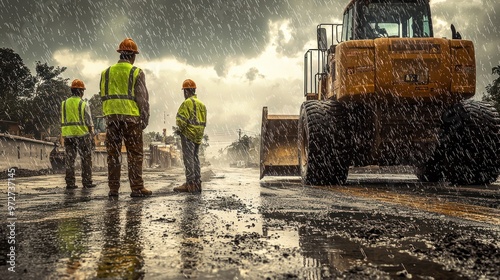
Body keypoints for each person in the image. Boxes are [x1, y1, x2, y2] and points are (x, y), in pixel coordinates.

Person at [100, 38, 151, 197]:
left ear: (120, 54)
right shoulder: (136, 72)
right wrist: (144, 118)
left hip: (112, 119)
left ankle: (113, 189)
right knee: (135, 154)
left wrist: (110, 114)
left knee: (113, 155)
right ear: (133, 56)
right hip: (131, 120)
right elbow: (142, 98)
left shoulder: (106, 73)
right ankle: (136, 188)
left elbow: (103, 96)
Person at [61, 79, 96, 189]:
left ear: (72, 90)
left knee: (69, 160)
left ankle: (70, 183)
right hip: (82, 135)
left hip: (68, 136)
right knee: (86, 159)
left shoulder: (64, 104)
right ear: (81, 92)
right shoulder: (83, 104)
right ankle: (87, 182)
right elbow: (89, 122)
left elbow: (62, 120)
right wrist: (91, 136)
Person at [173, 79, 207, 193]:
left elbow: (181, 121)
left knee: (189, 159)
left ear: (186, 91)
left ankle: (190, 184)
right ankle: (197, 183)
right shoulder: (202, 104)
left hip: (188, 134)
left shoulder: (187, 103)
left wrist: (180, 130)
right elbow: (203, 122)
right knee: (195, 159)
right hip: (198, 136)